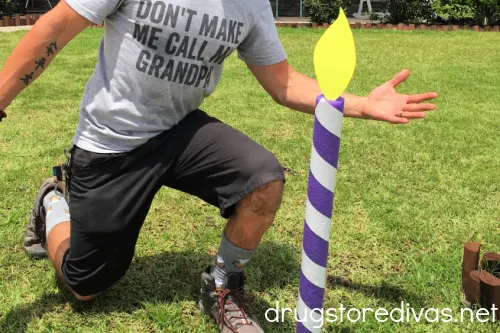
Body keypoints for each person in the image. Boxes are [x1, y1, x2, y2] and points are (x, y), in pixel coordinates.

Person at [0, 1, 438, 332]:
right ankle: (53, 202)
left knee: (262, 179)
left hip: (180, 132)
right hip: (113, 141)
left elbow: (283, 82)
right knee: (86, 285)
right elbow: (54, 27)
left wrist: (360, 103)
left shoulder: (250, 4)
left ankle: (223, 284)